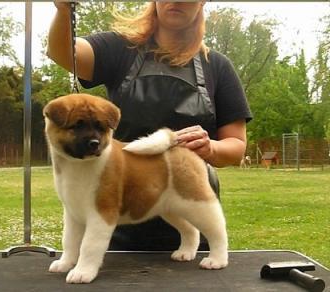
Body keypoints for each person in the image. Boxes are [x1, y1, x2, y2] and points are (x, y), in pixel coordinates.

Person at [48, 1, 252, 251]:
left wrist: (210, 148)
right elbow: (63, 53)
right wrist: (63, 10)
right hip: (118, 223)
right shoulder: (120, 49)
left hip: (191, 211)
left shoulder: (218, 67)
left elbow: (236, 147)